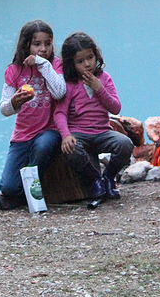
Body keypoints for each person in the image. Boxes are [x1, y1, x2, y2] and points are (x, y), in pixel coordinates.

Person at [0, 20, 66, 210]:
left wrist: (42, 64)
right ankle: (17, 195)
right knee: (7, 186)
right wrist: (15, 102)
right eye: (37, 44)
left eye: (47, 43)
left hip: (49, 129)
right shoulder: (14, 70)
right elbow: (4, 109)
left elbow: (59, 92)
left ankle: (29, 194)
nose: (43, 49)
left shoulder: (55, 65)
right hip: (23, 134)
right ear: (26, 45)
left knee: (43, 145)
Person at [53, 32, 133, 201]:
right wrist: (66, 135)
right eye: (80, 61)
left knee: (125, 144)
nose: (87, 64)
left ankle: (109, 177)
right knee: (71, 150)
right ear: (71, 64)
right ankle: (95, 179)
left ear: (96, 55)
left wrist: (99, 88)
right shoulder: (70, 84)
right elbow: (60, 113)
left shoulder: (104, 78)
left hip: (102, 132)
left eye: (90, 57)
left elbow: (116, 108)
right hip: (79, 133)